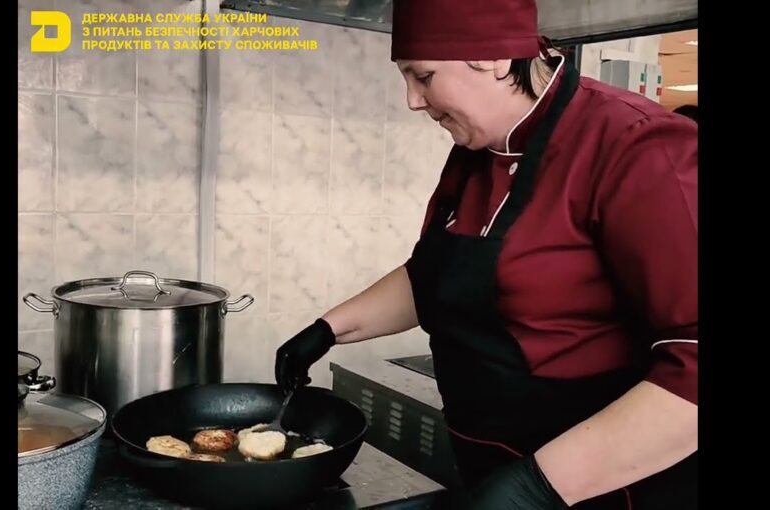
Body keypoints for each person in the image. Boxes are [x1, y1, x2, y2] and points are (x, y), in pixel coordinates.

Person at [274, 0, 698, 508]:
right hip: (491, 467)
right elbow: (434, 276)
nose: (412, 100)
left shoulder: (637, 146)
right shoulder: (475, 152)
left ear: (494, 57)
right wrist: (328, 329)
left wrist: (536, 488)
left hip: (601, 488)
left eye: (423, 76)